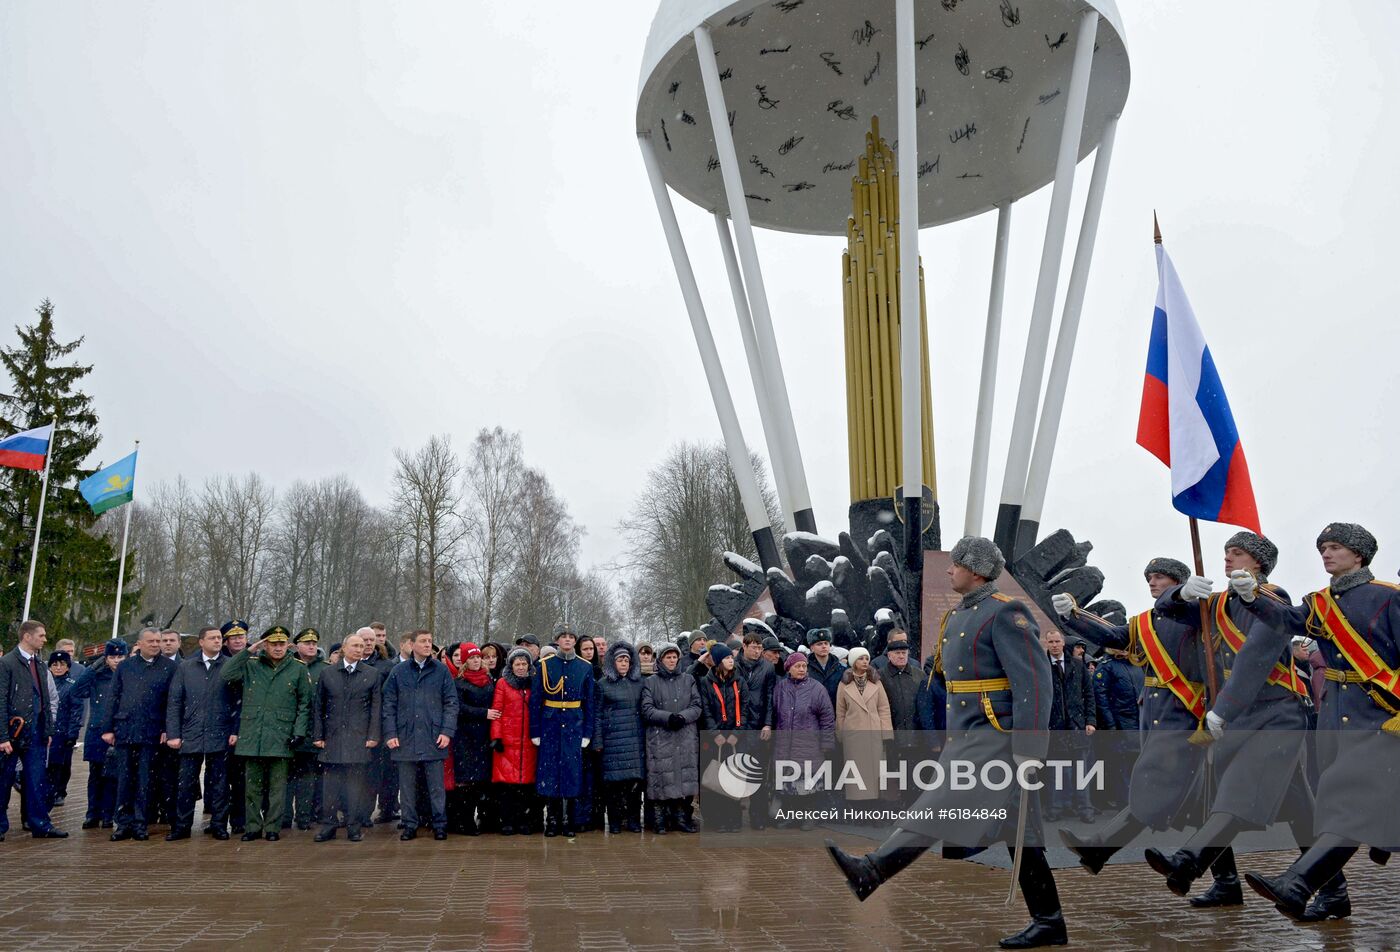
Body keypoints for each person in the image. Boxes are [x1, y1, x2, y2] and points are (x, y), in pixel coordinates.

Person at [826, 536, 1063, 950]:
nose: (949, 570)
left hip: (997, 739)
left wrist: (1029, 749)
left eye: (955, 564)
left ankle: (873, 871)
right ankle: (1049, 920)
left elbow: (1034, 685)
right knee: (1021, 834)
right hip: (968, 734)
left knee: (938, 804)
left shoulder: (1007, 613)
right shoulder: (958, 616)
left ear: (976, 571)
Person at [1143, 530, 1346, 916]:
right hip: (1244, 717)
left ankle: (1190, 861)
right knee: (1301, 812)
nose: (1227, 559)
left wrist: (1223, 709)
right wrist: (1180, 593)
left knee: (1237, 793)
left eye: (1236, 553)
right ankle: (1332, 891)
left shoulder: (1274, 599)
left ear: (1258, 563)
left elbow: (1255, 658)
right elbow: (1165, 611)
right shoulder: (1218, 603)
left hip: (1275, 713)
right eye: (1225, 553)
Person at [1231, 523, 1400, 922]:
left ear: (1358, 555)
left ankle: (1298, 883)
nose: (1326, 554)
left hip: (1380, 716)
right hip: (1334, 715)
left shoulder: (1386, 599)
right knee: (1336, 806)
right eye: (1323, 547)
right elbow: (1287, 619)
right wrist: (1251, 595)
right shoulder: (1320, 602)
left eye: (1336, 547)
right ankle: (1333, 897)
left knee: (1352, 808)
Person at [1052, 558, 1235, 902]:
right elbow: (1113, 636)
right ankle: (1225, 881)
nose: (1151, 582)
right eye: (1149, 576)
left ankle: (1101, 849)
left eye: (1160, 577)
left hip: (1187, 714)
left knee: (1154, 785)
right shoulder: (1147, 622)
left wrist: (1183, 594)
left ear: (1178, 582)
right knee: (1200, 801)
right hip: (1158, 716)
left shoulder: (1200, 615)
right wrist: (1072, 615)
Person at [221, 625, 312, 842]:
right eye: (273, 644)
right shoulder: (251, 665)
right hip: (253, 734)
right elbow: (227, 674)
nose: (278, 648)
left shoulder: (297, 668)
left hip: (282, 735)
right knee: (252, 788)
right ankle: (253, 827)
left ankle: (272, 827)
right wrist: (248, 651)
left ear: (288, 645)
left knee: (277, 788)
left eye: (282, 644)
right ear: (265, 645)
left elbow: (304, 703)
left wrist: (299, 732)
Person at [100, 627, 178, 842]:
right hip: (125, 730)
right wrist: (107, 728)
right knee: (123, 779)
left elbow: (172, 702)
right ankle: (122, 823)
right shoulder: (126, 666)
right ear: (140, 643)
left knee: (145, 780)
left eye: (158, 641)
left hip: (152, 733)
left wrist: (167, 729)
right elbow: (113, 697)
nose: (155, 644)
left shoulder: (169, 668)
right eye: (151, 641)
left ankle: (140, 823)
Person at [164, 625, 239, 841]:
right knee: (186, 783)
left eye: (219, 638)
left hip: (220, 733)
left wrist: (235, 730)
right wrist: (173, 733)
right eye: (213, 638)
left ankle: (218, 825)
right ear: (201, 642)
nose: (218, 641)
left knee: (220, 784)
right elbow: (175, 702)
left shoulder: (229, 667)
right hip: (191, 733)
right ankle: (181, 826)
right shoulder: (186, 667)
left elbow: (238, 703)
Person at [383, 629, 458, 841]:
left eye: (430, 641)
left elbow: (451, 703)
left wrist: (446, 731)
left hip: (434, 737)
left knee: (436, 787)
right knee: (406, 788)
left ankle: (439, 824)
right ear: (411, 644)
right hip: (404, 737)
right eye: (423, 641)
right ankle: (409, 825)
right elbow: (388, 704)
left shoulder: (441, 671)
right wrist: (390, 733)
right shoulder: (398, 671)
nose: (428, 645)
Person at [312, 631, 381, 842]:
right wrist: (318, 734)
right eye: (355, 646)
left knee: (355, 787)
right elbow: (318, 706)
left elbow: (376, 708)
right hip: (332, 737)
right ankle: (329, 825)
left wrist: (373, 735)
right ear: (344, 648)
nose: (359, 649)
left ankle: (353, 826)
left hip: (359, 738)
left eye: (362, 646)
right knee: (330, 787)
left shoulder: (371, 674)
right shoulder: (328, 673)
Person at [0, 619, 65, 840]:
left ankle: (41, 824)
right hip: (12, 732)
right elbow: (0, 701)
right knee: (4, 781)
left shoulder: (39, 664)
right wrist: (2, 736)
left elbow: (45, 699)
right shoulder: (7, 663)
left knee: (37, 780)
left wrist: (47, 730)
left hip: (36, 733)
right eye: (41, 635)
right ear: (27, 636)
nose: (45, 639)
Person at [529, 624, 595, 837]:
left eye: (570, 636)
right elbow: (536, 701)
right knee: (550, 772)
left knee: (571, 773)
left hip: (574, 726)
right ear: (556, 640)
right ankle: (552, 819)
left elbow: (590, 704)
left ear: (575, 640)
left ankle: (568, 820)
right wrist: (535, 731)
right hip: (550, 725)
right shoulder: (545, 665)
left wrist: (587, 733)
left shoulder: (584, 667)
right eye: (563, 636)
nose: (567, 640)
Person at [640, 643, 701, 834]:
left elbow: (697, 705)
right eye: (668, 657)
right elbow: (647, 709)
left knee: (683, 778)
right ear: (661, 660)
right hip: (661, 737)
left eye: (675, 657)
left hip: (685, 735)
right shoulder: (651, 682)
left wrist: (683, 717)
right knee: (661, 778)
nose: (672, 660)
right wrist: (668, 718)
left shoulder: (688, 679)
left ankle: (681, 818)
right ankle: (659, 820)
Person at [771, 650, 835, 830]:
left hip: (809, 745)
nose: (801, 669)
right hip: (785, 745)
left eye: (804, 666)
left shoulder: (817, 688)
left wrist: (827, 743)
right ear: (789, 668)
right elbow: (774, 714)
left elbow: (827, 718)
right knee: (789, 785)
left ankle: (808, 817)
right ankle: (793, 816)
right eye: (797, 666)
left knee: (807, 785)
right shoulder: (780, 688)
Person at [1043, 628, 1096, 823]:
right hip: (1054, 726)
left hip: (1077, 725)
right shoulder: (1042, 666)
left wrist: (1091, 721)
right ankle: (1055, 809)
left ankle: (1085, 809)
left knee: (1081, 771)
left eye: (1057, 641)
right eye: (1051, 642)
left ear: (1063, 643)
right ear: (1046, 644)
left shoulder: (1077, 664)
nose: (1055, 645)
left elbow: (1089, 695)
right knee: (1055, 771)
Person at [698, 642, 751, 832]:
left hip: (736, 738)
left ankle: (734, 819)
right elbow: (705, 711)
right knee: (717, 780)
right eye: (727, 658)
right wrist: (715, 734)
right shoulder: (706, 682)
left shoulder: (740, 681)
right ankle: (718, 819)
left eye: (731, 657)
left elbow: (745, 709)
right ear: (719, 661)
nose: (731, 660)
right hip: (716, 738)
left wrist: (737, 733)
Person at [834, 646, 892, 815]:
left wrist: (886, 733)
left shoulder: (876, 682)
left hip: (873, 733)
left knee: (875, 773)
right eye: (861, 658)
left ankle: (873, 809)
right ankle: (858, 809)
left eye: (867, 658)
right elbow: (840, 711)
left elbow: (884, 708)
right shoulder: (844, 684)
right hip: (854, 734)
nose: (865, 662)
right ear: (853, 662)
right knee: (856, 774)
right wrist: (841, 734)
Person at [595, 642, 645, 834]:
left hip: (634, 740)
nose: (623, 663)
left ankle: (633, 819)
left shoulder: (640, 683)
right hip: (612, 742)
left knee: (634, 785)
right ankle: (615, 821)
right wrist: (598, 741)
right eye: (619, 660)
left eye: (626, 660)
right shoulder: (603, 684)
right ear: (612, 663)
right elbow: (597, 715)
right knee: (613, 786)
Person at [78, 640, 127, 829]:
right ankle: (92, 813)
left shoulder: (128, 675)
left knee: (112, 776)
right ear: (105, 659)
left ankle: (109, 814)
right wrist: (93, 667)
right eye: (112, 657)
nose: (116, 661)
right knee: (95, 774)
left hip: (117, 732)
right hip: (97, 732)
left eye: (119, 657)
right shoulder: (98, 676)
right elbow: (77, 690)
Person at [447, 643, 496, 836]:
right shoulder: (459, 683)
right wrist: (484, 713)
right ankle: (464, 820)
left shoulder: (488, 680)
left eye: (478, 658)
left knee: (481, 782)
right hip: (466, 738)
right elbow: (459, 708)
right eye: (472, 658)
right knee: (465, 783)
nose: (476, 661)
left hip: (484, 738)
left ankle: (480, 818)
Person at [491, 648, 538, 836]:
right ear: (511, 666)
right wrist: (496, 736)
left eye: (524, 664)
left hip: (528, 743)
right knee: (507, 788)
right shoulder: (503, 684)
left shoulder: (534, 683)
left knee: (526, 787)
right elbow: (497, 711)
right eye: (517, 664)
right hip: (508, 744)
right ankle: (507, 822)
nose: (520, 667)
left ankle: (524, 821)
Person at [286, 627, 328, 831]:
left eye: (314, 643)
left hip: (314, 732)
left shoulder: (326, 669)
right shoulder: (288, 665)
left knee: (308, 778)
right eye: (307, 643)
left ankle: (305, 816)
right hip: (288, 732)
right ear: (297, 646)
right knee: (285, 779)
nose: (311, 646)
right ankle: (284, 817)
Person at [737, 628, 778, 829]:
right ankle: (733, 815)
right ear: (744, 647)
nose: (757, 651)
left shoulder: (767, 668)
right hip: (738, 724)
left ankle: (758, 815)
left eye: (760, 648)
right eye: (753, 647)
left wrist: (768, 723)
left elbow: (770, 698)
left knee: (758, 774)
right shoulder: (733, 665)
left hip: (759, 722)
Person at [218, 619, 251, 834]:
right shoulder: (219, 660)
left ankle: (240, 820)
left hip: (245, 724)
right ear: (225, 641)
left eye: (242, 636)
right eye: (234, 637)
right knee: (220, 778)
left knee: (243, 779)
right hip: (220, 725)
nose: (238, 640)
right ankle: (219, 821)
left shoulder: (255, 658)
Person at [573, 633, 604, 830]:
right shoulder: (576, 671)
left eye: (591, 649)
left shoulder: (600, 673)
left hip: (598, 729)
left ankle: (596, 816)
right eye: (585, 649)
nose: (589, 652)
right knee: (582, 777)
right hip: (579, 727)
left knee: (596, 778)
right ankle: (581, 817)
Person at [45, 650, 81, 807]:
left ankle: (60, 791)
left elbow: (76, 710)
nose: (58, 667)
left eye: (62, 664)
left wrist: (72, 733)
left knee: (62, 764)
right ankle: (48, 789)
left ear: (68, 667)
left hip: (64, 730)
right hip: (49, 730)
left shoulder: (72, 686)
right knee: (48, 763)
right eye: (55, 664)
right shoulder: (45, 683)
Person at [805, 629, 845, 709]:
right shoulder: (805, 668)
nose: (824, 646)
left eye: (826, 643)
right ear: (812, 648)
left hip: (835, 710)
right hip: (812, 712)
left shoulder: (840, 667)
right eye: (819, 644)